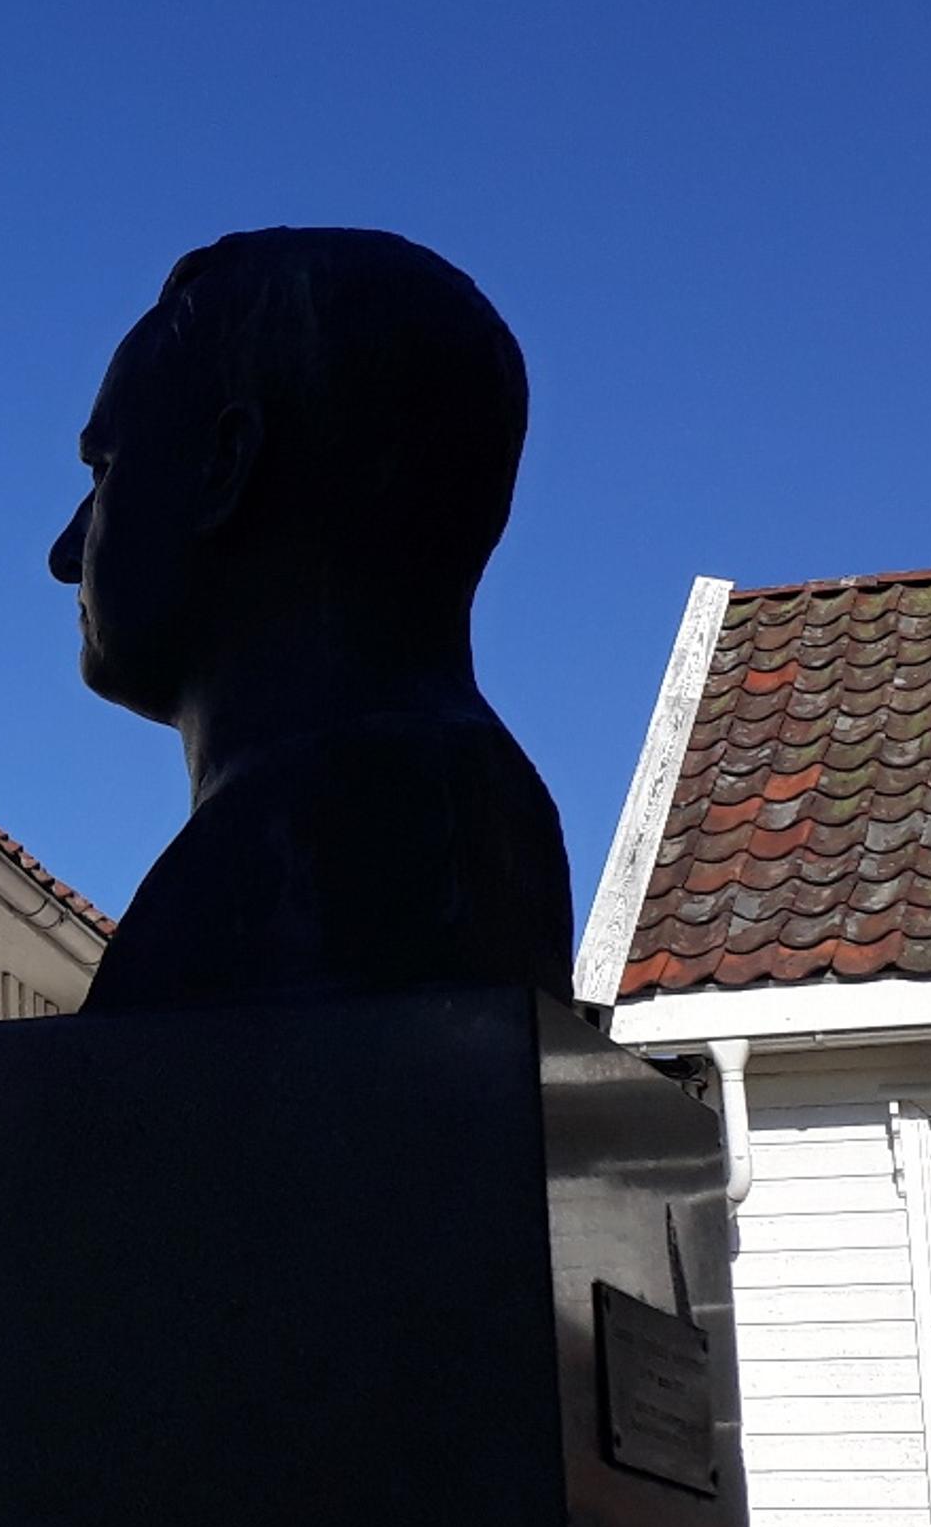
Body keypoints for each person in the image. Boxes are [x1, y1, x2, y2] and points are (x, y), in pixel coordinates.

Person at [49, 227, 573, 1010]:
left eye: (105, 471)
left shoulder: (286, 859)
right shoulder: (472, 825)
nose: (65, 553)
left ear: (224, 467)